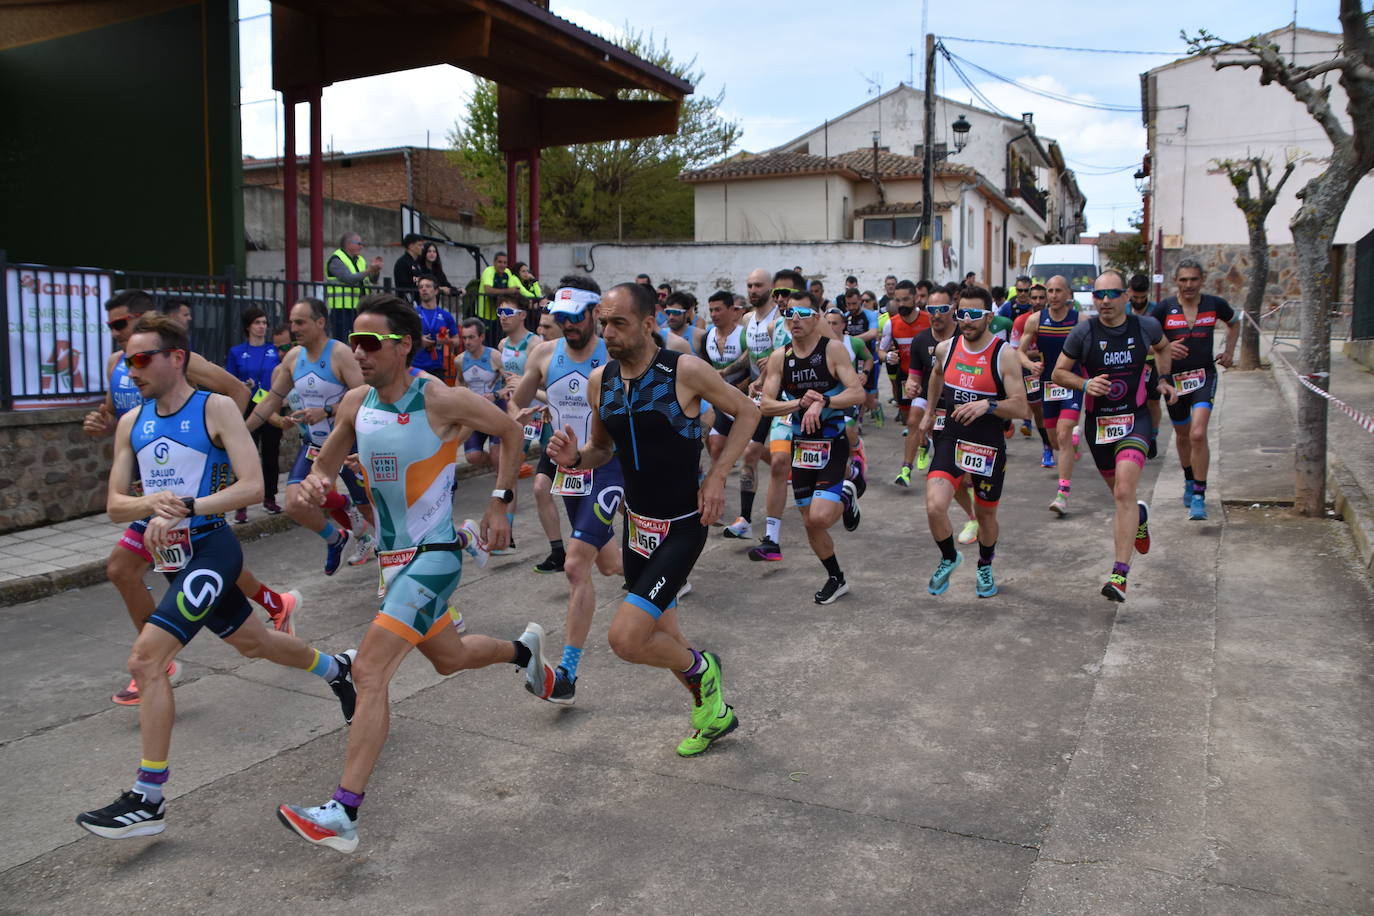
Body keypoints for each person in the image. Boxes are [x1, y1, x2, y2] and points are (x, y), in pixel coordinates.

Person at [276, 293, 543, 854]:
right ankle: (525, 653)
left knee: (369, 672)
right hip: (391, 564)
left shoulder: (442, 399)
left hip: (436, 555)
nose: (359, 352)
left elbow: (510, 431)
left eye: (370, 343)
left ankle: (343, 813)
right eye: (354, 342)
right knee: (451, 657)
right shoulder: (355, 402)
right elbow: (324, 468)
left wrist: (500, 501)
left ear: (402, 346)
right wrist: (314, 485)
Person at [76, 314, 356, 840]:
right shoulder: (131, 421)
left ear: (175, 358)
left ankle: (148, 798)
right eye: (127, 359)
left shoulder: (216, 407)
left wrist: (186, 505)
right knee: (254, 643)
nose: (131, 369)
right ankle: (339, 669)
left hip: (212, 546)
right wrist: (148, 504)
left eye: (142, 358)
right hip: (172, 555)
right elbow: (115, 504)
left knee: (147, 659)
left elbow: (253, 486)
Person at [545, 281, 758, 756]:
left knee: (626, 639)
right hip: (637, 527)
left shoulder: (683, 370)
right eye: (604, 324)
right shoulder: (601, 380)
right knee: (666, 636)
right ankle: (713, 715)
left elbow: (746, 411)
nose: (608, 333)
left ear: (647, 324)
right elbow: (603, 449)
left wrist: (719, 476)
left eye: (618, 323)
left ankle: (706, 670)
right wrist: (574, 458)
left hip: (683, 523)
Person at [84, 291, 300, 707]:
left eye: (120, 324)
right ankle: (271, 603)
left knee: (189, 554)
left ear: (143, 318)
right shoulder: (119, 366)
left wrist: (212, 451)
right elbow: (116, 413)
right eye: (111, 328)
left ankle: (155, 655)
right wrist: (103, 422)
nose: (117, 334)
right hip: (152, 495)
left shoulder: (181, 360)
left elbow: (237, 392)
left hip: (188, 490)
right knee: (126, 568)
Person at [507, 279, 625, 704]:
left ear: (595, 314)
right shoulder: (543, 353)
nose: (569, 325)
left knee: (576, 566)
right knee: (610, 565)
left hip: (610, 467)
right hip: (570, 472)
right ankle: (661, 572)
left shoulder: (614, 353)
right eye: (562, 318)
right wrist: (516, 415)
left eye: (577, 317)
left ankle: (567, 675)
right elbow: (514, 408)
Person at [1053, 271, 1176, 601]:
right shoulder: (1084, 331)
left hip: (1135, 419)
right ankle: (1139, 516)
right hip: (1098, 424)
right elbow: (1058, 372)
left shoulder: (1145, 326)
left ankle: (1119, 576)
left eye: (1111, 294)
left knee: (1124, 487)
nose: (1104, 301)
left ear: (1125, 297)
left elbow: (1164, 348)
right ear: (1093, 299)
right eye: (1098, 295)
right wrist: (1084, 384)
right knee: (1120, 496)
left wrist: (1164, 380)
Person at [246, 298, 375, 574]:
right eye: (292, 322)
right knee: (294, 503)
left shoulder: (340, 354)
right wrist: (242, 431)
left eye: (300, 322)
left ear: (320, 323)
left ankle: (400, 557)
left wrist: (327, 410)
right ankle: (336, 539)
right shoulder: (293, 358)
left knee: (371, 512)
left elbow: (367, 399)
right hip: (314, 446)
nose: (294, 328)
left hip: (347, 446)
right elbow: (272, 399)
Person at [917, 286, 1030, 599]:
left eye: (974, 315)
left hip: (988, 444)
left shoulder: (1003, 354)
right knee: (934, 506)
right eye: (961, 314)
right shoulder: (946, 348)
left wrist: (988, 405)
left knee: (985, 516)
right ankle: (950, 557)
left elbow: (1021, 407)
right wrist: (929, 412)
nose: (966, 321)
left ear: (989, 317)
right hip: (951, 437)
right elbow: (936, 376)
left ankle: (985, 564)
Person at [759, 292, 866, 603]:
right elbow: (766, 405)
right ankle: (836, 577)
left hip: (832, 442)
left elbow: (857, 393)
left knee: (818, 518)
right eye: (790, 313)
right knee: (809, 523)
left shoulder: (831, 350)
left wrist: (825, 401)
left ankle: (846, 493)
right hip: (802, 446)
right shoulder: (781, 357)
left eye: (803, 313)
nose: (794, 319)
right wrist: (799, 403)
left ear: (816, 318)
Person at [1160, 259, 1238, 520]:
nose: (1189, 285)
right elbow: (1145, 340)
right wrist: (1166, 349)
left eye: (1194, 279)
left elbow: (1234, 323)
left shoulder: (1214, 305)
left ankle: (1199, 496)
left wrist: (1228, 351)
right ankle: (1189, 479)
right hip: (1174, 382)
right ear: (1176, 282)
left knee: (1197, 433)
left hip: (1204, 376)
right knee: (1182, 435)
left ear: (1201, 280)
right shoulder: (1164, 308)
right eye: (1183, 280)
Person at [904, 286, 982, 546]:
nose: (936, 315)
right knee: (951, 472)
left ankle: (985, 517)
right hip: (940, 414)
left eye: (942, 310)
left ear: (953, 310)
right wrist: (911, 387)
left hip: (973, 413)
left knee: (972, 475)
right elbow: (916, 378)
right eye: (931, 310)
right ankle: (974, 517)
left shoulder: (969, 335)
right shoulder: (921, 341)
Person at [743, 270, 804, 560]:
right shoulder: (775, 328)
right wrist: (761, 381)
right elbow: (775, 364)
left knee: (828, 474)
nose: (779, 299)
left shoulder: (821, 327)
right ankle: (772, 541)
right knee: (779, 464)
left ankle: (851, 477)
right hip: (785, 406)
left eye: (786, 294)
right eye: (777, 294)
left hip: (822, 411)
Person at [1018, 276, 1084, 516]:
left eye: (1058, 291)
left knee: (1064, 433)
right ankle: (1071, 443)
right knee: (1055, 441)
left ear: (1068, 294)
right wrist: (1030, 364)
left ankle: (1062, 493)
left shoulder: (1080, 321)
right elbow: (1020, 353)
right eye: (1050, 291)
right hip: (1048, 386)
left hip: (1071, 384)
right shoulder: (1036, 320)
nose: (1053, 295)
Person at [720, 268, 776, 540]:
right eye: (750, 285)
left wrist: (774, 363)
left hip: (784, 396)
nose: (753, 290)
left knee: (796, 459)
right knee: (751, 453)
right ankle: (745, 519)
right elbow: (749, 354)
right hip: (758, 396)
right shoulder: (747, 319)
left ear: (771, 288)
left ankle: (848, 473)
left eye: (758, 285)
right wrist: (726, 371)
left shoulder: (780, 318)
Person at [226, 307, 284, 520]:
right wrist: (243, 385)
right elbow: (229, 381)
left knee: (271, 453)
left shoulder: (273, 350)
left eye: (264, 322)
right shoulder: (237, 352)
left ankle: (270, 497)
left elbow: (282, 375)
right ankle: (241, 504)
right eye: (258, 322)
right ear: (248, 326)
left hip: (270, 405)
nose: (262, 326)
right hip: (248, 406)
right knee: (245, 455)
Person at [528, 309, 568, 573]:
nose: (541, 332)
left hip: (589, 444)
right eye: (540, 327)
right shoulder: (545, 355)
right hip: (559, 438)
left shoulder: (592, 355)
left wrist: (544, 399)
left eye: (548, 327)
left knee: (621, 504)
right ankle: (558, 553)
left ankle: (648, 551)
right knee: (541, 488)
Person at [877, 280, 930, 431]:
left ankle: (923, 445)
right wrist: (887, 357)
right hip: (905, 376)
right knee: (908, 419)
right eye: (898, 300)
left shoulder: (929, 320)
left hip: (927, 376)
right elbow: (880, 351)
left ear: (916, 298)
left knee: (923, 416)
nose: (901, 304)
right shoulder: (891, 324)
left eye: (906, 299)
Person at [1127, 273, 1166, 456]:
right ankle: (1132, 436)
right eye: (1135, 297)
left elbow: (1162, 342)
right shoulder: (1124, 309)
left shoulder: (1156, 311)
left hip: (1153, 364)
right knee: (1130, 402)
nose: (1139, 301)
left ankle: (1152, 436)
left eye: (1142, 298)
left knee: (1152, 402)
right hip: (1130, 364)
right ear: (1129, 293)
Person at [325, 232, 384, 342]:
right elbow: (349, 279)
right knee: (341, 341)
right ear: (348, 244)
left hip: (360, 307)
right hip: (342, 308)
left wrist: (375, 271)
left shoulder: (360, 260)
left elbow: (372, 280)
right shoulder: (336, 260)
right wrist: (369, 270)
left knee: (361, 340)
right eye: (359, 243)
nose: (361, 246)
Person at [411, 274, 459, 381]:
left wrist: (448, 341)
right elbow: (402, 336)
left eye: (428, 286)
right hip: (415, 367)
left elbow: (457, 341)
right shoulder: (412, 313)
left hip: (437, 368)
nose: (424, 289)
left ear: (436, 291)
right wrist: (419, 340)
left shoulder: (446, 316)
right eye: (421, 287)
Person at [478, 251, 520, 324]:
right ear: (494, 263)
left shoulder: (507, 272)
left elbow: (514, 289)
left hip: (500, 314)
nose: (502, 265)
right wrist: (508, 291)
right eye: (499, 262)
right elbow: (488, 290)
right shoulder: (489, 271)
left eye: (505, 262)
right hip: (485, 314)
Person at [393, 233, 424, 299]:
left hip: (417, 299)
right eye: (419, 245)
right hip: (407, 301)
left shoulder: (417, 262)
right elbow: (403, 284)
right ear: (411, 246)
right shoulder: (402, 262)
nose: (422, 248)